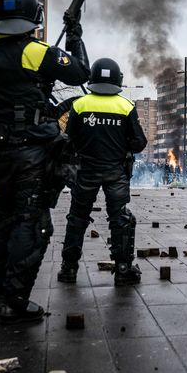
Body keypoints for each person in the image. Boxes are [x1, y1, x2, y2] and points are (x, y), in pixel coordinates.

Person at [0, 0, 89, 323]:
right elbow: (81, 73)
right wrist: (75, 35)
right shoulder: (34, 51)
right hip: (31, 152)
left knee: (3, 218)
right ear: (34, 17)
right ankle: (14, 300)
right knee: (32, 224)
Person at [57, 58, 147, 286]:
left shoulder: (79, 105)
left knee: (77, 218)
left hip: (85, 172)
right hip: (115, 172)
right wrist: (122, 142)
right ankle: (123, 269)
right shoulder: (126, 106)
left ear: (92, 79)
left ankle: (68, 268)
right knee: (120, 219)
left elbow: (69, 140)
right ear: (118, 80)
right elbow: (139, 143)